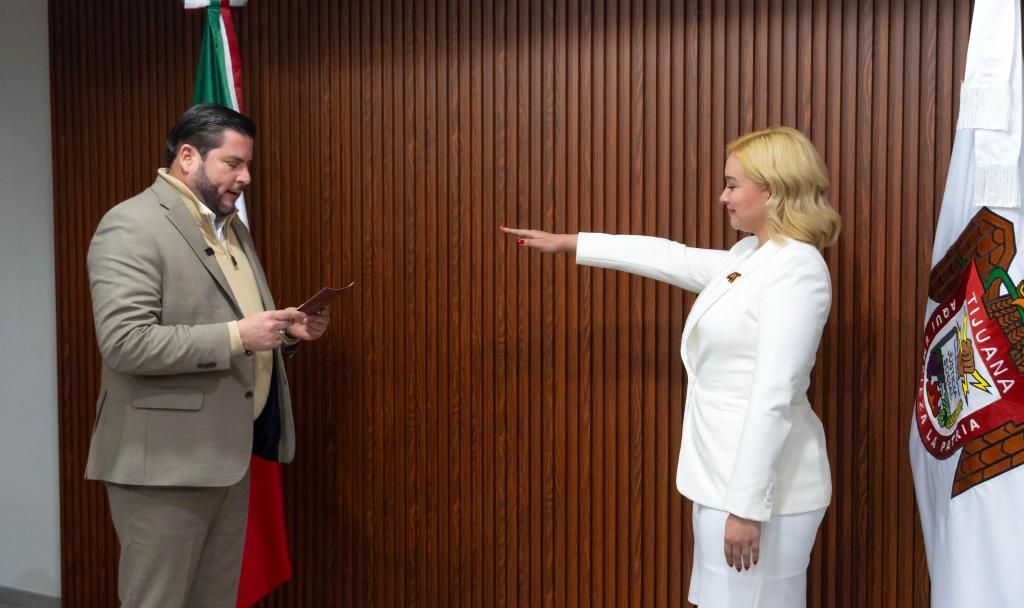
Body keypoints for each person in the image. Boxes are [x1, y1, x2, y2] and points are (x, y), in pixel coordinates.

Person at [502, 126, 839, 607]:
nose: (723, 196)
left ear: (772, 190)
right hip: (722, 483)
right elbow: (671, 257)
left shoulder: (797, 269)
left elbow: (774, 394)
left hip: (764, 497)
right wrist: (571, 243)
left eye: (733, 185)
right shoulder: (752, 256)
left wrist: (746, 508)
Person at [85, 103, 330, 607]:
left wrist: (284, 333)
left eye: (248, 165)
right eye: (232, 163)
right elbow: (126, 342)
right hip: (165, 467)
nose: (245, 178)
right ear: (188, 157)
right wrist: (240, 336)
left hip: (228, 457)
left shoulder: (230, 227)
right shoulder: (131, 225)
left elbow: (235, 324)